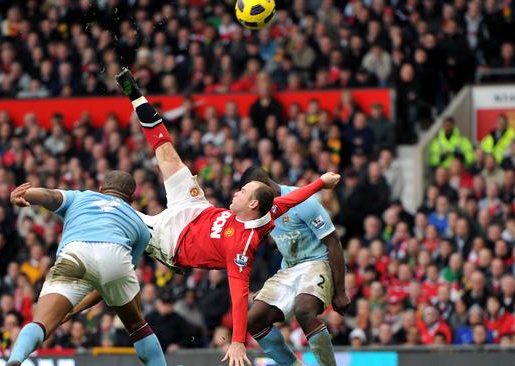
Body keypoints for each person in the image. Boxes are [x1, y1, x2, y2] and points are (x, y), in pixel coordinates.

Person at [68, 69, 340, 366]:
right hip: (196, 209)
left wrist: (237, 343)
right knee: (167, 153)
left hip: (171, 240)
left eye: (242, 190)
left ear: (251, 202)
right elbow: (292, 198)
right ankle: (135, 95)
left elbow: (239, 295)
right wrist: (320, 182)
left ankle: (71, 298)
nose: (235, 192)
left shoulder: (241, 247)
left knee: (115, 222)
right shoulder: (267, 211)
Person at [5, 170, 166, 366]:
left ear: (100, 189)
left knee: (41, 322)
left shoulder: (81, 197)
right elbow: (108, 282)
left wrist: (23, 195)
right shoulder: (140, 225)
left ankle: (15, 359)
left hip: (76, 252)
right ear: (132, 198)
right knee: (138, 326)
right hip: (115, 255)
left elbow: (49, 195)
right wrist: (74, 311)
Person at [240, 167, 350, 366]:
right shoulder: (261, 211)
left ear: (264, 185)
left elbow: (333, 242)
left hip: (318, 263)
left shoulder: (302, 201)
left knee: (304, 310)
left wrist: (340, 290)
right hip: (289, 269)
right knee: (253, 320)